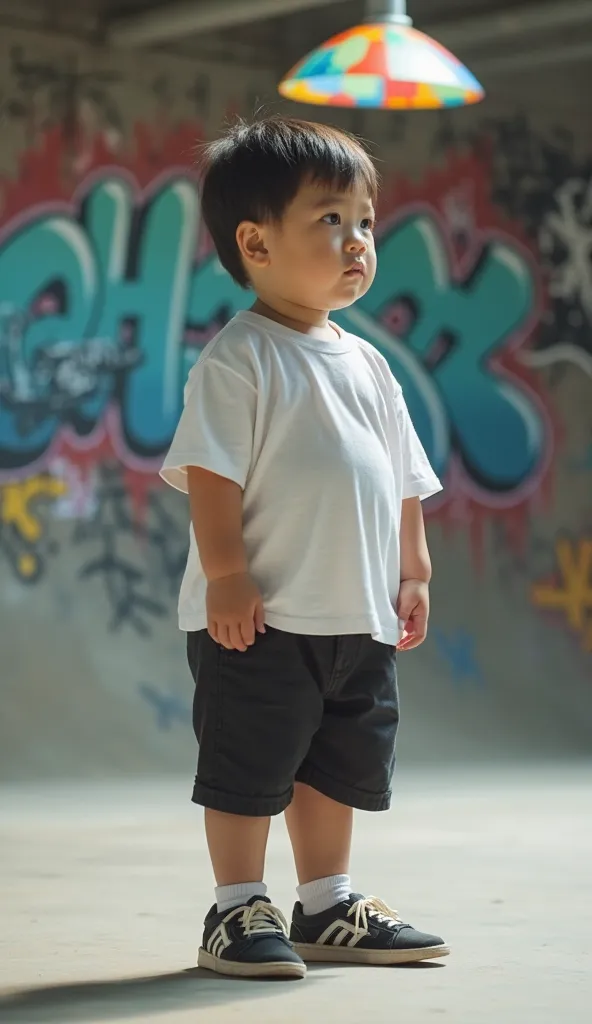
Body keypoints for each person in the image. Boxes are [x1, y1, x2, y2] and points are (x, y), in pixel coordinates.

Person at [161, 115, 448, 980]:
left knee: (337, 762)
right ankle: (233, 906)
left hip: (353, 613)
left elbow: (402, 474)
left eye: (364, 221)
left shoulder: (368, 364)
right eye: (331, 220)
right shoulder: (240, 359)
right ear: (255, 242)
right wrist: (227, 575)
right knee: (250, 761)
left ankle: (327, 902)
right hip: (262, 614)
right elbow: (211, 475)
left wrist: (415, 568)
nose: (358, 240)